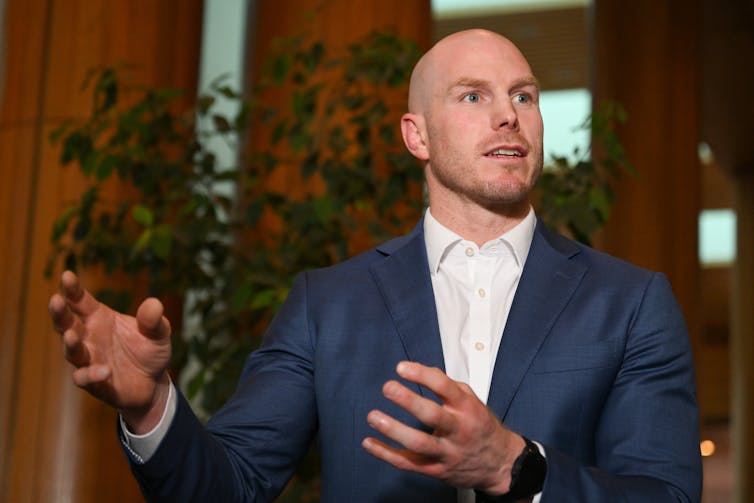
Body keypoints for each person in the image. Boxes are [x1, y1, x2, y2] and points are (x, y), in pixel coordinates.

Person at [49, 29, 702, 502]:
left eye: (524, 96)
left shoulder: (630, 302)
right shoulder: (327, 303)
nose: (509, 114)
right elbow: (230, 485)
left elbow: (666, 496)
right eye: (473, 97)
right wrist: (153, 407)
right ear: (416, 135)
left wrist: (514, 465)